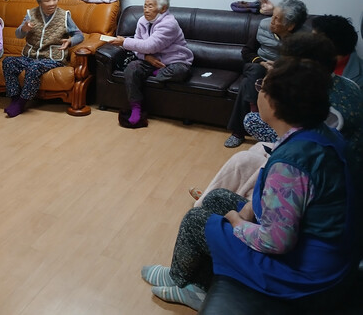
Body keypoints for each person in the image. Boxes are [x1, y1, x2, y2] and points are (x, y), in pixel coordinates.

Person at [142, 57, 359, 312]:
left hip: (304, 274)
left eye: (261, 87)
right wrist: (248, 210)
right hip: (319, 251)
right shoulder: (321, 133)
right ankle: (196, 283)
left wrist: (238, 223)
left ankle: (179, 279)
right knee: (217, 198)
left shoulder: (291, 164)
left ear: (276, 103)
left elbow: (276, 241)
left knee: (196, 221)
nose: (258, 92)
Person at [192, 32, 363, 205]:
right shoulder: (344, 87)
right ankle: (213, 197)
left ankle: (212, 202)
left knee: (243, 161)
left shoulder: (319, 111)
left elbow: (277, 215)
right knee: (256, 150)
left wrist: (241, 213)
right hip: (325, 169)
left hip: (327, 180)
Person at [224, 0, 307, 147]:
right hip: (257, 65)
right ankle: (254, 111)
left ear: (290, 26)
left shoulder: (304, 38)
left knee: (247, 83)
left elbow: (304, 63)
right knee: (256, 71)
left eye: (277, 19)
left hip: (285, 72)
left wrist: (280, 67)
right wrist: (262, 62)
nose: (271, 22)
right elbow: (246, 51)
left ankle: (238, 132)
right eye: (272, 16)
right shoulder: (263, 26)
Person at [110, 0, 193, 129]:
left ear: (163, 8)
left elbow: (150, 46)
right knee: (131, 68)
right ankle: (136, 108)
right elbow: (137, 46)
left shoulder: (169, 24)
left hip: (173, 61)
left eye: (150, 6)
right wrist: (146, 57)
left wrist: (124, 42)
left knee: (180, 71)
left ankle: (157, 73)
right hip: (149, 60)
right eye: (145, 6)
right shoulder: (142, 21)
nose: (146, 10)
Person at [2, 0, 83, 117]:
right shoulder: (31, 14)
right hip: (30, 56)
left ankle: (21, 102)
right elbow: (18, 34)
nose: (52, 3)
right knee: (8, 62)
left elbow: (79, 35)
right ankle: (15, 99)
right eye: (47, 0)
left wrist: (70, 41)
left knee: (34, 67)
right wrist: (24, 29)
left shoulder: (64, 15)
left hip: (52, 58)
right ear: (39, 1)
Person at [312, 14, 363, 89]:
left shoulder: (360, 78)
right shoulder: (306, 61)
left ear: (331, 44)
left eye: (314, 38)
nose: (309, 41)